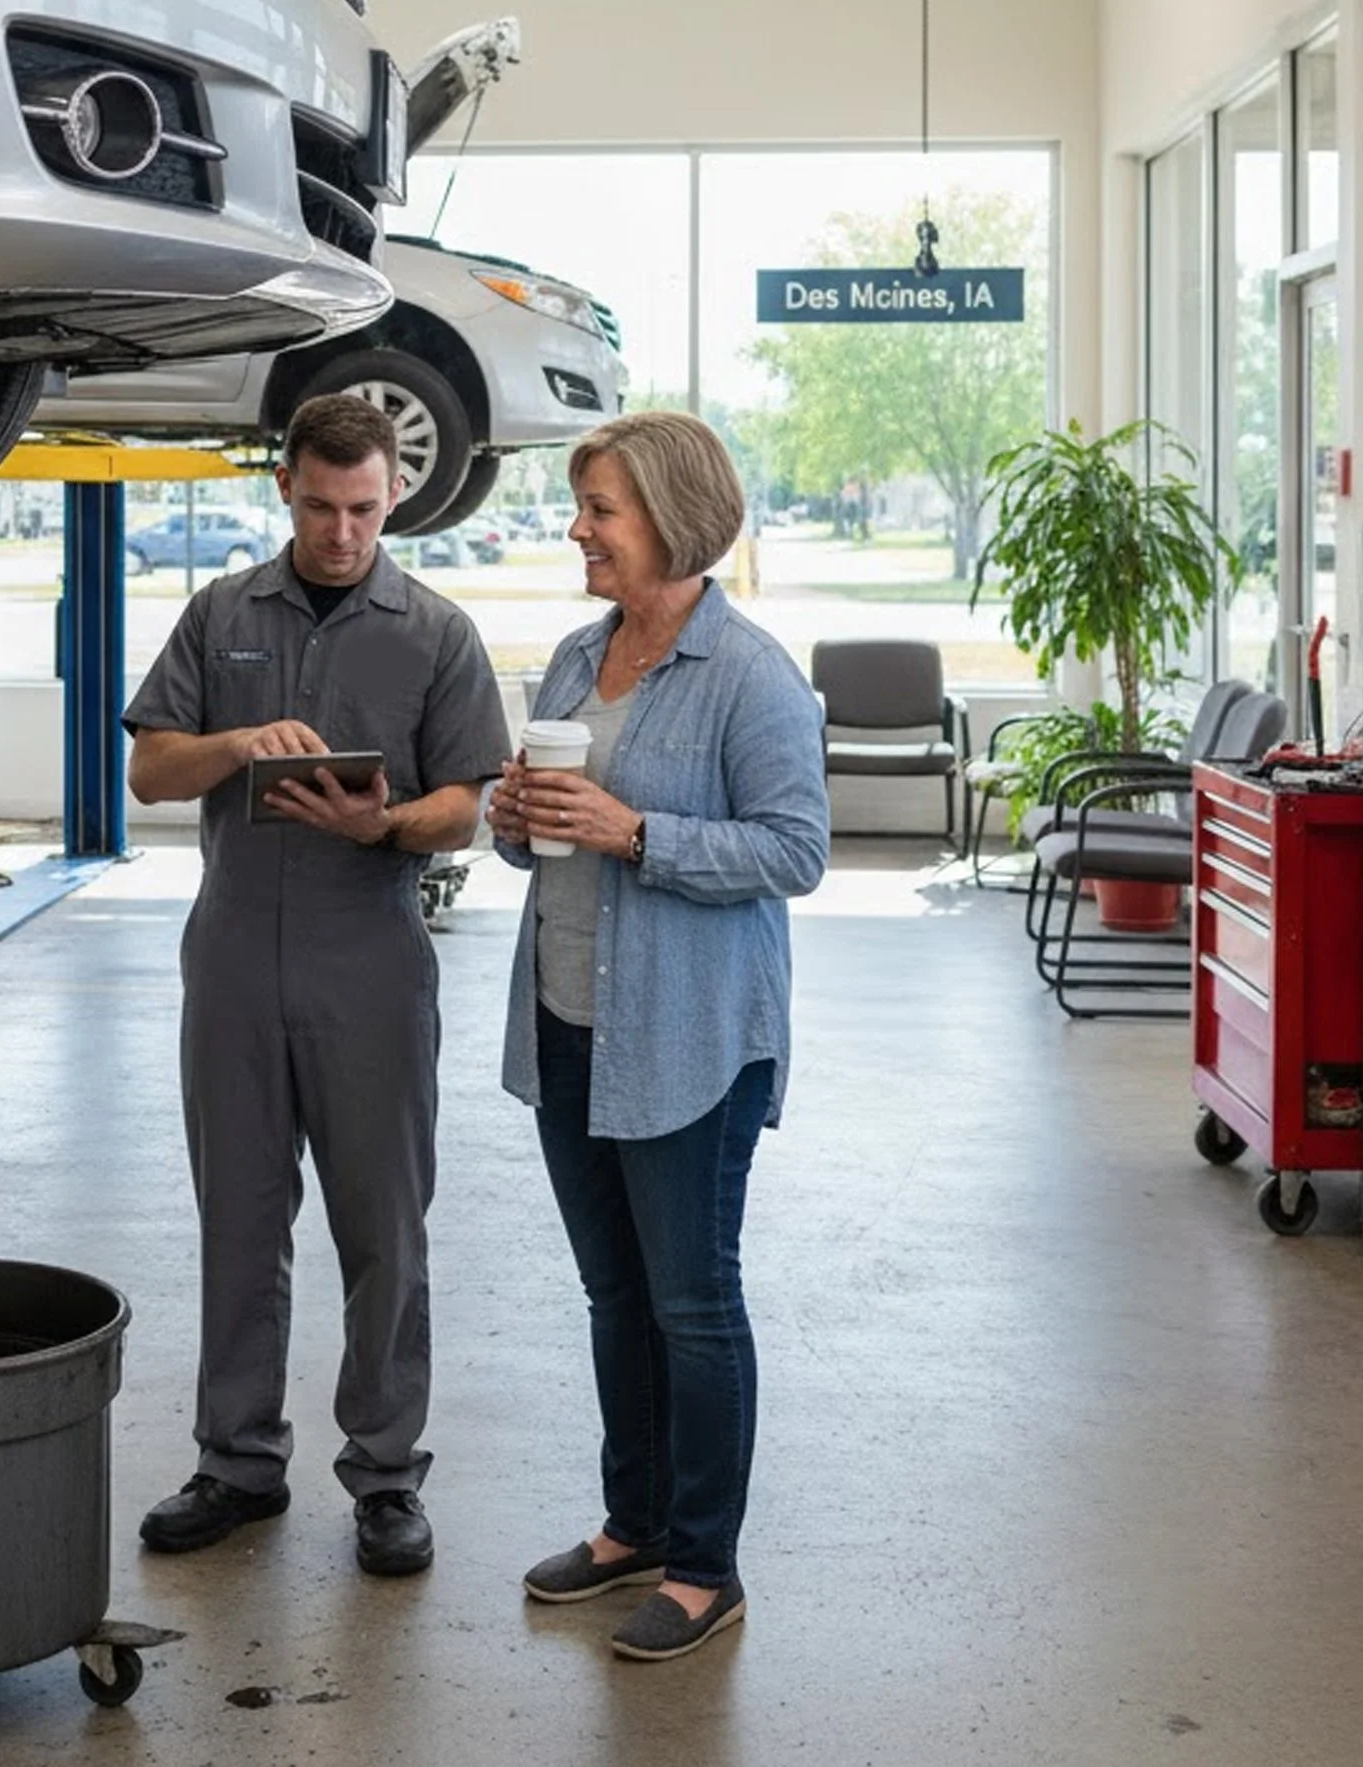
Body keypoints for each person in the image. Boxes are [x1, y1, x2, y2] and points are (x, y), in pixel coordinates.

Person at [122, 394, 511, 1577]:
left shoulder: (436, 633)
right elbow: (150, 771)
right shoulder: (220, 614)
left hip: (371, 956)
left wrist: (381, 825)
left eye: (364, 509)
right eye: (321, 506)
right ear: (284, 486)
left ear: (394, 496)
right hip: (233, 954)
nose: (342, 532)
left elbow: (466, 807)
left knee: (382, 1226)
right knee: (239, 1219)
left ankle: (385, 1475)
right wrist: (238, 744)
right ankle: (236, 1460)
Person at [486, 411, 828, 1662]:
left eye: (601, 510)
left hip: (688, 1039)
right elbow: (535, 836)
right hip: (566, 1020)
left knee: (691, 1302)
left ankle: (702, 1566)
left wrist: (636, 834)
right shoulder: (579, 656)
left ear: (671, 521)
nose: (577, 529)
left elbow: (795, 851)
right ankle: (629, 1525)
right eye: (580, 506)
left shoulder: (749, 674)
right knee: (612, 1292)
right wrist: (512, 817)